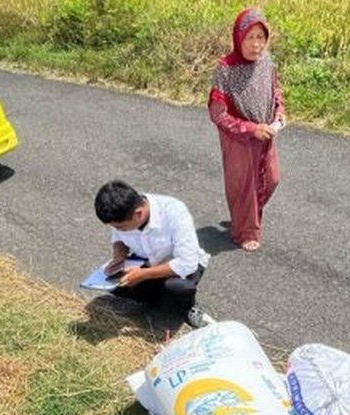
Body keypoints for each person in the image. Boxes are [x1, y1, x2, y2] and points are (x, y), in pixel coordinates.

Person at [208, 7, 284, 252]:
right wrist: (251, 129)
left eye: (260, 37)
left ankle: (245, 215)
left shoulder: (267, 63)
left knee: (271, 179)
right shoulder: (226, 69)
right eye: (249, 37)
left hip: (266, 134)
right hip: (239, 138)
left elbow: (276, 93)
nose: (256, 44)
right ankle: (245, 231)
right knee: (244, 185)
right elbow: (217, 114)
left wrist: (279, 113)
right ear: (238, 38)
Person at [94, 180, 214, 328]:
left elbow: (187, 263)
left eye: (121, 227)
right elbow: (118, 239)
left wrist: (143, 275)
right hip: (146, 263)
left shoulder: (174, 212)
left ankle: (188, 307)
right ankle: (156, 299)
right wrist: (119, 256)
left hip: (180, 268)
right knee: (113, 283)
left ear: (139, 213)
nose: (118, 230)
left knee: (178, 286)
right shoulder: (124, 213)